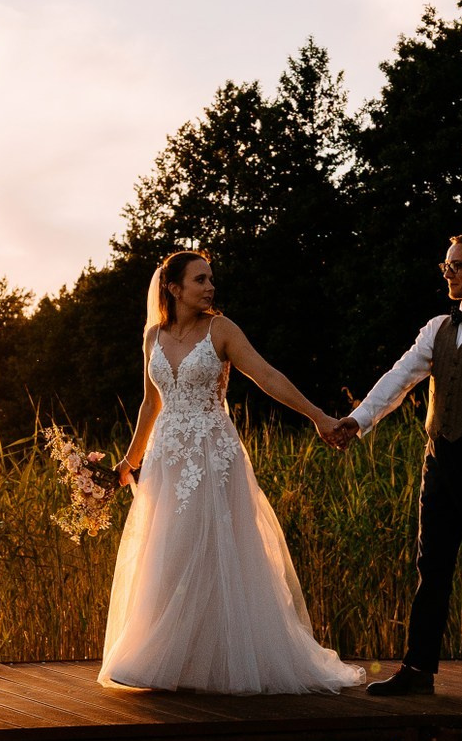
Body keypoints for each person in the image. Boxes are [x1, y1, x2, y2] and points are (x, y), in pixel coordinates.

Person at [98, 251, 365, 694]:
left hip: (212, 455)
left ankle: (218, 663)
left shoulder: (221, 330)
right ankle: (165, 661)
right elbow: (150, 403)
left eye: (211, 280)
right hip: (167, 458)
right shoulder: (153, 337)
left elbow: (266, 375)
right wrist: (129, 462)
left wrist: (318, 416)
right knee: (167, 552)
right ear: (173, 288)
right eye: (200, 280)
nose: (210, 287)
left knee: (210, 549)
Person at [328, 232, 462, 700]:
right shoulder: (436, 327)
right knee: (431, 566)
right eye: (446, 266)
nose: (449, 273)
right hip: (438, 460)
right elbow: (399, 378)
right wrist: (356, 421)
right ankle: (419, 667)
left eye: (457, 266)